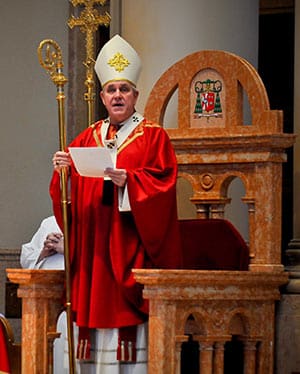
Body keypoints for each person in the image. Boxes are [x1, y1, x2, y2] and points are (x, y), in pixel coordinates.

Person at [50, 34, 182, 373]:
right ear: (102, 96)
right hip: (94, 253)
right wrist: (63, 174)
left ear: (135, 95)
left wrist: (131, 183)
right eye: (111, 90)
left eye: (124, 89)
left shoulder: (152, 136)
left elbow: (164, 185)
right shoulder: (86, 137)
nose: (118, 96)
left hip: (128, 246)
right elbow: (68, 199)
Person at [20, 215, 69, 374]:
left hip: (72, 300)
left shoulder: (92, 218)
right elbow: (26, 259)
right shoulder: (49, 222)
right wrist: (43, 252)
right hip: (44, 302)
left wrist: (68, 248)